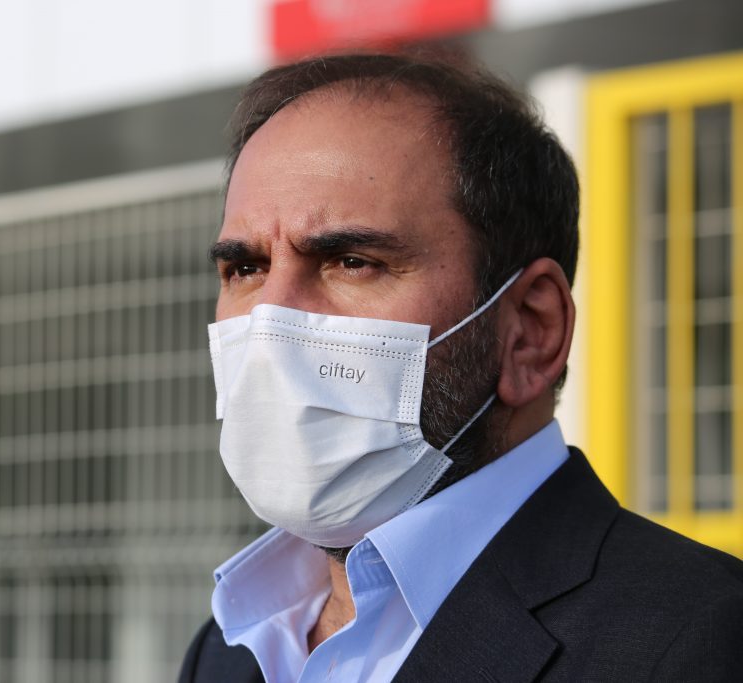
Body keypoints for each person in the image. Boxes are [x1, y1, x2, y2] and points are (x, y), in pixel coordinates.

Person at [179, 53, 743, 682]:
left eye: (353, 261)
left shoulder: (702, 640)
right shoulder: (234, 641)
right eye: (246, 268)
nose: (270, 321)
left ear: (530, 331)